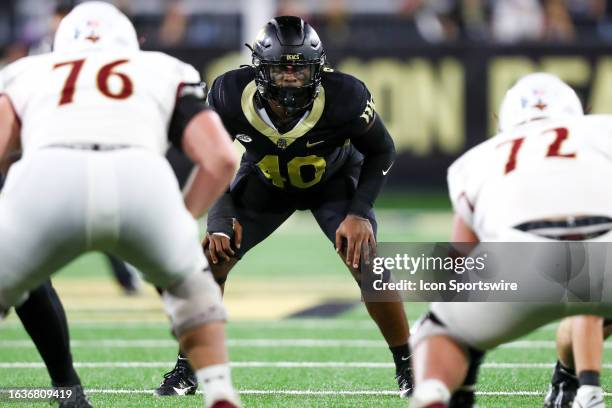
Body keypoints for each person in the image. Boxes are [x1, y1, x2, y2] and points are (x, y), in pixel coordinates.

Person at [154, 15, 413, 398]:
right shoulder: (227, 94)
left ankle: (409, 365)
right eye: (280, 70)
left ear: (319, 68)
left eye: (300, 69)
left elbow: (382, 150)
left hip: (334, 182)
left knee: (369, 264)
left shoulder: (345, 96)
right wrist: (220, 217)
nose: (291, 79)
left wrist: (359, 212)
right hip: (266, 182)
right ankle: (188, 367)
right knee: (211, 259)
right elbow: (212, 158)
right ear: (259, 68)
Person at [0, 2, 240, 408]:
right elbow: (221, 159)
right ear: (131, 42)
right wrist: (178, 222)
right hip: (141, 177)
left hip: (48, 174)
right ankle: (219, 389)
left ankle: (65, 391)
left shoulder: (27, 71)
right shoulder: (164, 68)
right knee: (193, 291)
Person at [409, 73, 612, 408]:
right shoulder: (602, 130)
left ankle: (434, 389)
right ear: (579, 113)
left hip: (522, 255)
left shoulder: (476, 159)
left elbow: (461, 260)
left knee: (439, 329)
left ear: (503, 120)